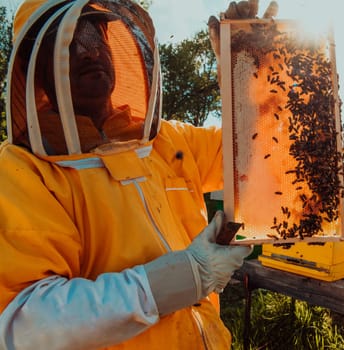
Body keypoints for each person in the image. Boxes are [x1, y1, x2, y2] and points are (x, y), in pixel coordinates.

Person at [0, 0, 277, 348]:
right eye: (70, 42)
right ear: (38, 69)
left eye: (97, 37)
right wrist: (184, 277)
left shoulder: (168, 141)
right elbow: (26, 326)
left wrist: (247, 71)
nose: (90, 52)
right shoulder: (22, 172)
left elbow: (258, 153)